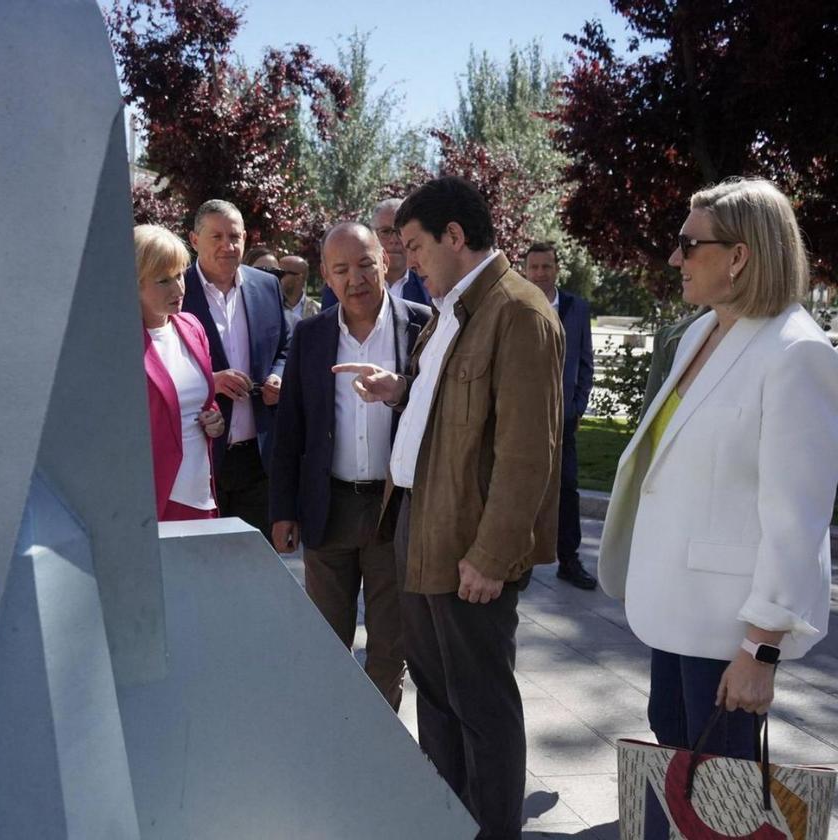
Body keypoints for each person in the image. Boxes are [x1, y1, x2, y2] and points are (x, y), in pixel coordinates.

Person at [597, 178, 838, 836]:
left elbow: (799, 515)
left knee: (725, 800)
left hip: (729, 630)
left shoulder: (796, 353)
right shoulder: (703, 331)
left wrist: (760, 649)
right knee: (682, 781)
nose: (675, 259)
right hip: (676, 613)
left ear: (739, 256)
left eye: (688, 245)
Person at [335, 177, 563, 839]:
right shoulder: (454, 309)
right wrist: (399, 389)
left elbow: (528, 452)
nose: (407, 263)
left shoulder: (518, 311)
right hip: (418, 525)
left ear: (455, 238)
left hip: (468, 548)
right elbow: (454, 406)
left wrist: (491, 557)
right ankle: (447, 823)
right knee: (436, 700)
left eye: (413, 247)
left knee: (481, 708)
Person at [270, 222, 430, 708]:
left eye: (364, 264)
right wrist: (283, 510)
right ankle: (332, 743)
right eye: (341, 269)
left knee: (390, 646)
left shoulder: (423, 325)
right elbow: (290, 428)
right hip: (328, 507)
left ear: (385, 260)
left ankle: (379, 751)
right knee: (325, 643)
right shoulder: (311, 335)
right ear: (326, 275)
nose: (355, 278)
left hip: (394, 509)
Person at [182, 200, 290, 540]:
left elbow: (285, 347)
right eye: (216, 236)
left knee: (252, 567)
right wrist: (208, 384)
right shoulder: (176, 291)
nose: (228, 246)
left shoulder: (266, 286)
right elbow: (154, 366)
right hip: (200, 457)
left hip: (257, 459)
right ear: (194, 240)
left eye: (235, 236)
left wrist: (279, 375)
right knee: (201, 566)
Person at [135, 224, 226, 521]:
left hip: (201, 492)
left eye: (179, 275)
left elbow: (199, 400)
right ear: (133, 283)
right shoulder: (117, 343)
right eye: (163, 280)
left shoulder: (191, 326)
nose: (178, 288)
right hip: (155, 498)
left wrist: (213, 417)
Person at [523, 241, 597, 590]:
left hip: (563, 420)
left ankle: (569, 560)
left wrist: (577, 407)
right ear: (525, 269)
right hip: (521, 418)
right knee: (519, 486)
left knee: (567, 488)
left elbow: (585, 363)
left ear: (556, 268)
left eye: (546, 266)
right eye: (533, 267)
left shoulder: (577, 308)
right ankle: (518, 559)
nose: (539, 273)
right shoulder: (514, 304)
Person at [321, 198, 429, 309]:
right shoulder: (338, 290)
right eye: (385, 231)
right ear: (372, 235)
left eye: (399, 232)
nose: (394, 240)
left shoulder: (428, 283)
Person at [278, 254, 320, 330]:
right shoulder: (272, 308)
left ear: (298, 279)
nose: (276, 277)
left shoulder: (318, 311)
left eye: (281, 273)